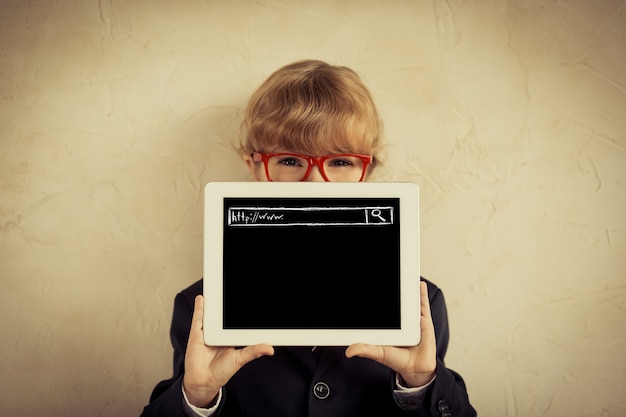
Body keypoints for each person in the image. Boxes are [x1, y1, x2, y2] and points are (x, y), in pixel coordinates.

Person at [141, 60, 476, 417]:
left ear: (368, 170)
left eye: (341, 162)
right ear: (254, 167)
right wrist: (196, 397)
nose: (315, 184)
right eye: (289, 159)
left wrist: (421, 384)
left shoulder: (417, 303)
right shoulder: (202, 307)